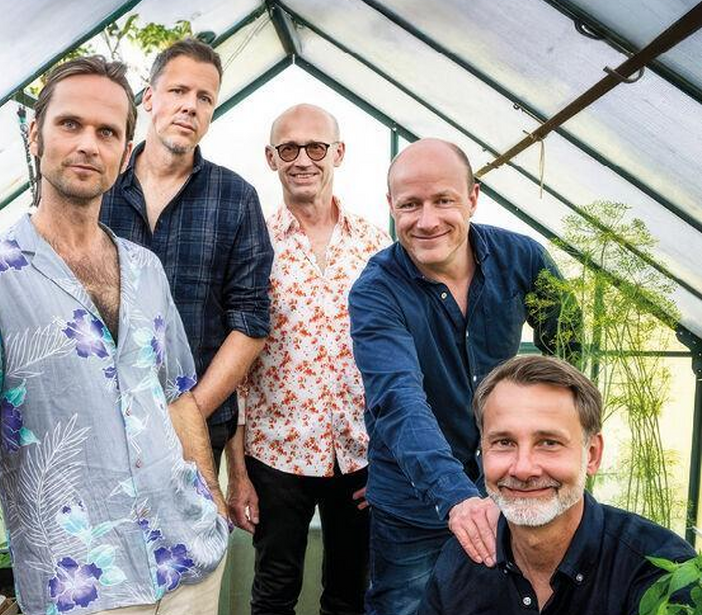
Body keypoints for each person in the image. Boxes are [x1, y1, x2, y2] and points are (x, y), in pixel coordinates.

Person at [0, 56, 229, 615]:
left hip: (188, 559)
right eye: (70, 124)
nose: (87, 144)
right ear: (35, 136)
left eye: (106, 132)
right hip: (82, 584)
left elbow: (177, 396)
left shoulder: (145, 268)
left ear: (125, 154)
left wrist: (213, 501)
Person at [347, 138, 578, 615]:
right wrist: (454, 496)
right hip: (414, 508)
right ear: (390, 206)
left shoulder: (522, 260)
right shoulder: (376, 290)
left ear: (473, 197)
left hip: (512, 490)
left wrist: (547, 440)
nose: (427, 220)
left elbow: (568, 350)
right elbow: (398, 399)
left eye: (443, 200)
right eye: (410, 205)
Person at [227, 105, 388, 615]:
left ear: (338, 153)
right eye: (289, 148)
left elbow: (396, 356)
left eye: (316, 147)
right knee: (274, 593)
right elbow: (234, 367)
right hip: (276, 454)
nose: (302, 160)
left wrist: (389, 460)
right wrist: (238, 473)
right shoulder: (252, 244)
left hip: (360, 454)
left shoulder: (376, 245)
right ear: (270, 158)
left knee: (351, 594)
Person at [99, 38, 273, 468]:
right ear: (149, 98)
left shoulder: (236, 198)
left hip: (197, 428)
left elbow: (250, 322)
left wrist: (189, 414)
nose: (190, 106)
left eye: (204, 98)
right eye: (178, 91)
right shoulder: (99, 188)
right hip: (101, 421)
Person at [423, 354, 696, 613]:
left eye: (548, 443)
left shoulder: (660, 573)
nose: (523, 469)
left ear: (592, 454)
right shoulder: (463, 562)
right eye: (504, 442)